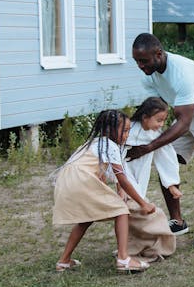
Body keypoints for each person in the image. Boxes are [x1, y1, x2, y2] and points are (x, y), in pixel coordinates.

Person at [128, 33, 194, 249]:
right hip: (187, 115)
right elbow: (155, 112)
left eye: (144, 61)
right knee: (165, 158)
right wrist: (130, 134)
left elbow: (183, 122)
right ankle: (177, 221)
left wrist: (149, 146)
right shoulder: (148, 76)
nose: (140, 66)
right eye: (137, 61)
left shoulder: (182, 72)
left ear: (158, 54)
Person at [52, 109, 155, 272]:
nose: (127, 135)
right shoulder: (110, 145)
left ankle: (63, 261)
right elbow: (122, 178)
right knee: (121, 211)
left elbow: (111, 176)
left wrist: (121, 194)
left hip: (67, 180)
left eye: (129, 131)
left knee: (86, 218)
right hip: (82, 179)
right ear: (109, 130)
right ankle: (123, 259)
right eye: (125, 130)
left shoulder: (95, 144)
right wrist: (143, 204)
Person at [121, 97, 179, 261]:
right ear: (145, 117)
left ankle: (135, 247)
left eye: (163, 120)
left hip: (141, 178)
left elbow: (165, 155)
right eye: (158, 120)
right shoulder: (127, 132)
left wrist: (171, 184)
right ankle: (139, 247)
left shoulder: (155, 135)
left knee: (135, 214)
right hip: (126, 178)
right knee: (138, 212)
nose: (161, 125)